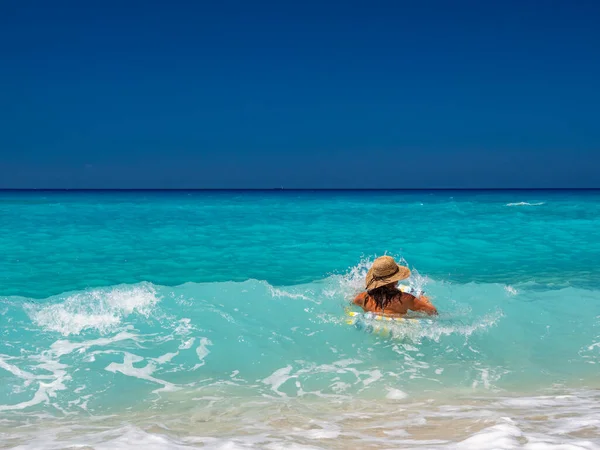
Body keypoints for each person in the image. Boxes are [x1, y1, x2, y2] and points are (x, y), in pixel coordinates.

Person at [353, 256, 437, 316]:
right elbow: (433, 312)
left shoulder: (362, 298)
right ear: (395, 279)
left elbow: (352, 304)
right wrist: (424, 299)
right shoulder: (405, 299)